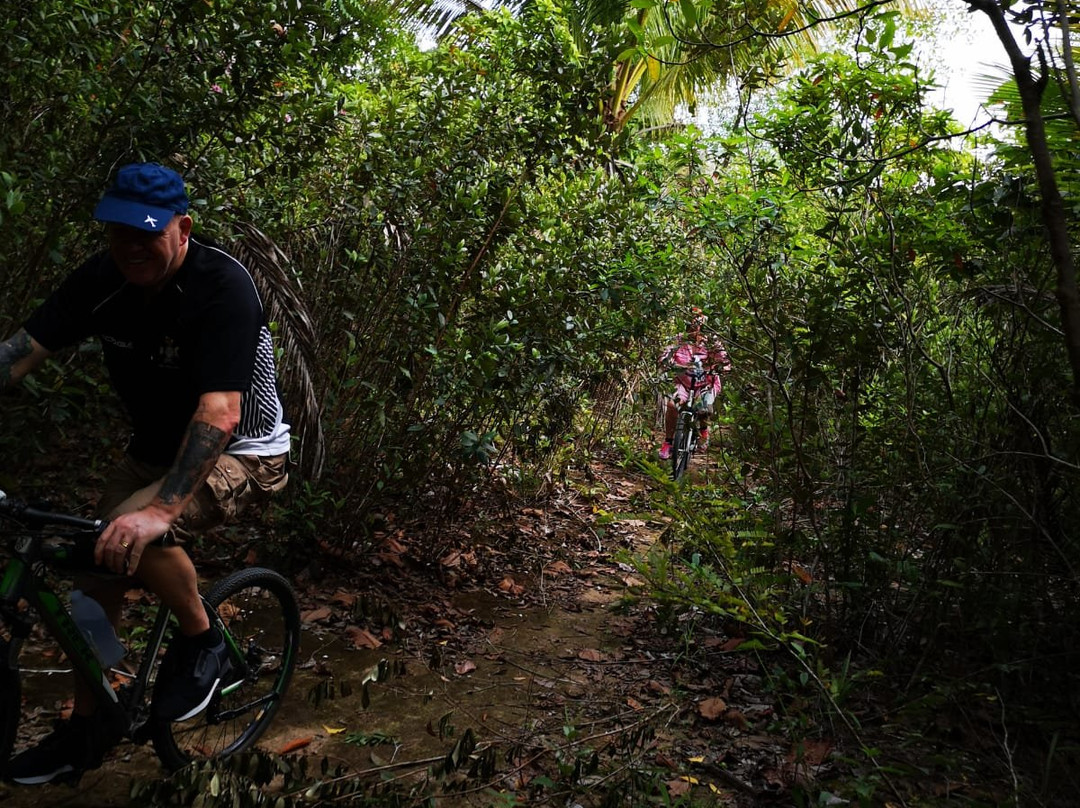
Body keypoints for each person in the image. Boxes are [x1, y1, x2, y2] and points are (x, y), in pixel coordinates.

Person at [0, 162, 291, 785]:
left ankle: (203, 637)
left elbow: (221, 411)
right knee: (88, 573)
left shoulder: (221, 286)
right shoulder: (103, 281)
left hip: (244, 449)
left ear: (183, 229)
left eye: (147, 232)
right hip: (154, 449)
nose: (131, 245)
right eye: (118, 232)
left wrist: (159, 511)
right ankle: (91, 722)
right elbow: (20, 354)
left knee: (131, 529)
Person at [658, 307, 732, 460]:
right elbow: (666, 355)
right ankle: (668, 441)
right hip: (683, 382)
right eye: (690, 324)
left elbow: (724, 361)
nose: (693, 328)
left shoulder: (711, 342)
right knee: (672, 405)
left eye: (696, 324)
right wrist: (667, 362)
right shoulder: (678, 340)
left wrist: (721, 368)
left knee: (704, 407)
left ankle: (703, 431)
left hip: (705, 383)